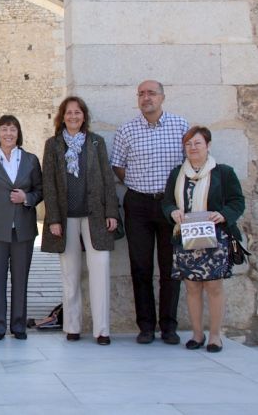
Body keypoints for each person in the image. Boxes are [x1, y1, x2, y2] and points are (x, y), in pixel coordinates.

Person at [111, 80, 189, 345]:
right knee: (140, 267)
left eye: (151, 93)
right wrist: (139, 182)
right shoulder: (127, 130)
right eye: (142, 94)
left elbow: (190, 164)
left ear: (162, 97)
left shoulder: (180, 126)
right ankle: (145, 326)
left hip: (171, 206)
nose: (146, 98)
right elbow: (118, 168)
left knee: (171, 268)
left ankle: (169, 326)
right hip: (139, 205)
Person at [41, 96, 118, 346]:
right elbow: (49, 184)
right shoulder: (53, 145)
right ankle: (72, 326)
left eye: (78, 112)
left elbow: (108, 178)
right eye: (68, 113)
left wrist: (111, 213)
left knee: (100, 270)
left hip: (95, 215)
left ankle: (102, 330)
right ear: (62, 117)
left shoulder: (96, 143)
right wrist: (52, 218)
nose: (73, 116)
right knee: (70, 274)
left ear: (84, 116)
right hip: (65, 219)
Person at [162, 126, 245, 353]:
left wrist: (224, 215)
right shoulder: (177, 173)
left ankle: (215, 336)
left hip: (215, 238)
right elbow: (167, 201)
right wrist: (172, 212)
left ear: (208, 145)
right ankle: (197, 334)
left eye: (197, 143)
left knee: (214, 286)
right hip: (186, 237)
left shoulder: (223, 172)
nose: (192, 148)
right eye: (188, 144)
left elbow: (237, 202)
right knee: (192, 286)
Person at [0, 115, 43, 341]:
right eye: (4, 129)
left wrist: (27, 197)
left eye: (13, 129)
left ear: (18, 133)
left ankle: (18, 325)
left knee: (20, 279)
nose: (8, 134)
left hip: (23, 229)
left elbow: (40, 191)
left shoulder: (31, 160)